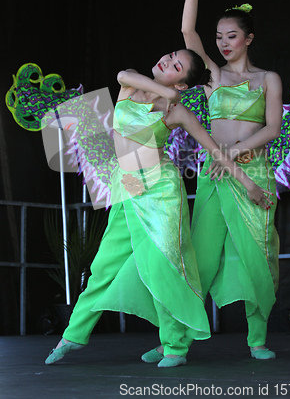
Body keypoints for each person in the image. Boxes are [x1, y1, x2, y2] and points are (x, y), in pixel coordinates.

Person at [44, 49, 273, 368]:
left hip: (161, 189)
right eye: (170, 55)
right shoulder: (131, 84)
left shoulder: (177, 112)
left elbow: (215, 151)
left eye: (176, 65)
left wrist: (250, 185)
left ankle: (175, 347)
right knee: (104, 265)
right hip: (128, 184)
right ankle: (72, 335)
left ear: (182, 84)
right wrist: (167, 91)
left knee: (162, 267)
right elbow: (124, 75)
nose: (167, 60)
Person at [174, 0, 282, 359]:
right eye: (219, 37)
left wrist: (234, 151)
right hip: (214, 177)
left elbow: (272, 127)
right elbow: (189, 35)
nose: (223, 44)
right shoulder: (213, 75)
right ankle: (176, 341)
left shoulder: (267, 78)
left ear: (249, 38)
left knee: (257, 254)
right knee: (198, 259)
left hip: (252, 172)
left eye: (231, 36)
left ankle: (257, 339)